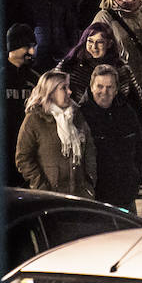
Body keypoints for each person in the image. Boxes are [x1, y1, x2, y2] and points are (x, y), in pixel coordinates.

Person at [15, 70, 96, 198]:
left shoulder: (76, 116)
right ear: (50, 92)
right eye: (63, 88)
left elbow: (89, 150)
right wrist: (41, 187)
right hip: (50, 198)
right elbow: (23, 158)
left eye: (68, 86)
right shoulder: (34, 119)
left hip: (80, 196)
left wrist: (89, 184)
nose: (69, 92)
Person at [78, 65, 142, 211]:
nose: (104, 92)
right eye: (100, 86)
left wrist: (137, 176)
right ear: (91, 87)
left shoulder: (127, 112)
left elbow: (140, 145)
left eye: (110, 87)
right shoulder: (81, 115)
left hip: (124, 193)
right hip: (94, 196)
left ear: (116, 89)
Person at [56, 22, 142, 108]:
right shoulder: (70, 64)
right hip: (76, 116)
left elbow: (136, 99)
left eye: (100, 42)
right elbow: (53, 89)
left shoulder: (121, 68)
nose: (94, 46)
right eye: (90, 41)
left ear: (109, 44)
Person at [3, 23, 40, 186]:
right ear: (14, 47)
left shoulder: (35, 79)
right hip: (2, 148)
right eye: (27, 46)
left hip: (28, 149)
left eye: (33, 46)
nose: (32, 52)